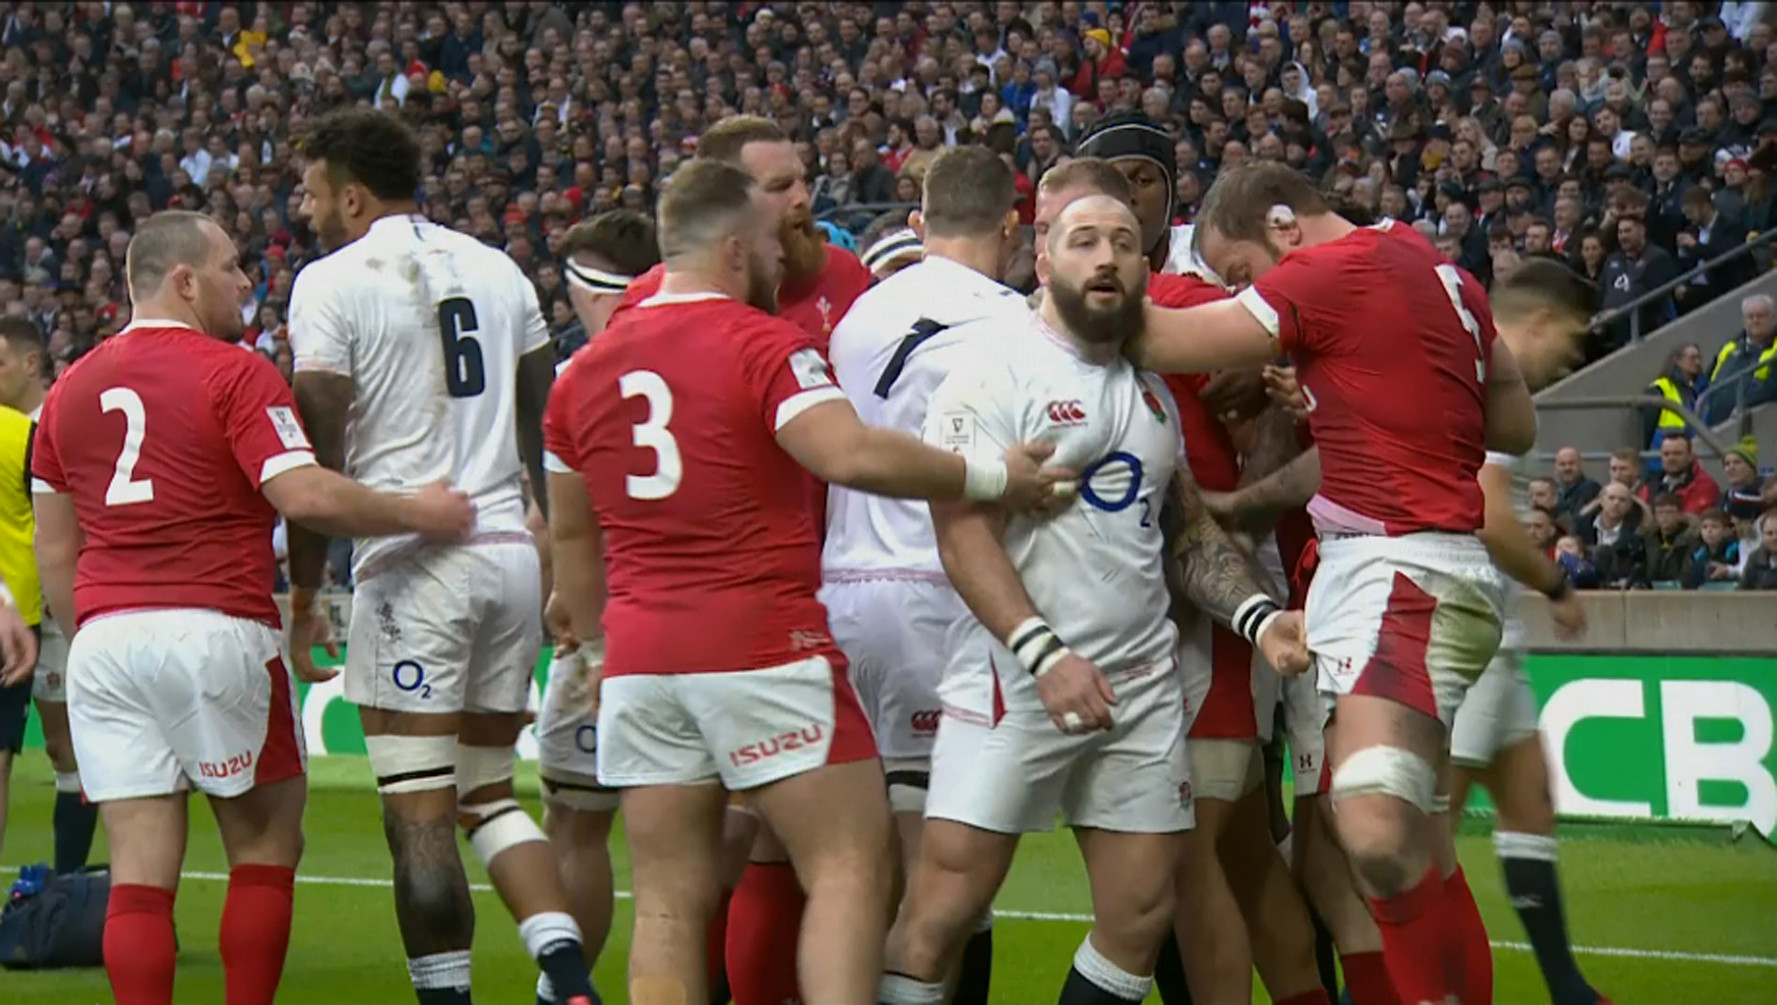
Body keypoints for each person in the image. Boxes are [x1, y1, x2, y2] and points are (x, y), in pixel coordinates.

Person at [542, 158, 1066, 1005]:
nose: (789, 257)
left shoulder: (582, 372)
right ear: (737, 248)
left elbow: (571, 531)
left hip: (641, 659)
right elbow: (849, 453)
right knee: (852, 865)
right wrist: (991, 475)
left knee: (670, 902)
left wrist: (600, 644)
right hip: (762, 643)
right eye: (776, 244)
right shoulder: (762, 345)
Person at [29, 210, 474, 1005]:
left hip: (104, 638)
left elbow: (56, 550)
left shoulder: (66, 392)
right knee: (266, 840)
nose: (247, 282)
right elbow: (301, 492)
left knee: (138, 868)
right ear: (184, 280)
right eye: (233, 266)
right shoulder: (233, 372)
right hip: (216, 625)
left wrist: (95, 624)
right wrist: (420, 511)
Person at [878, 194, 1307, 1005]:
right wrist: (1045, 655)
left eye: (1121, 242)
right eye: (1083, 242)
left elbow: (1178, 528)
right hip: (1018, 678)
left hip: (1138, 684)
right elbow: (961, 537)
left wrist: (1258, 617)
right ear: (1042, 262)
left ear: (1146, 267)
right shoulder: (992, 372)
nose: (1105, 257)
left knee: (1141, 910)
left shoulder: (1147, 392)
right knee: (942, 907)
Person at [1131, 162, 1537, 1005]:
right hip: (1419, 567)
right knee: (1405, 839)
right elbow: (1514, 417)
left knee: (1370, 823)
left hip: (1395, 569)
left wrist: (1054, 283)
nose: (1248, 290)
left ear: (1283, 226)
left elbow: (1160, 341)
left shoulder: (1329, 269)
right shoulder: (1440, 271)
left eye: (1240, 271)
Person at [283, 109, 596, 1005]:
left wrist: (305, 592)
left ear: (349, 192)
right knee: (487, 792)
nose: (307, 212)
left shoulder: (332, 281)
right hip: (508, 552)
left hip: (417, 561)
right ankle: (569, 977)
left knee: (416, 818)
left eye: (312, 194)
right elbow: (545, 427)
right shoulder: (499, 269)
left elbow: (317, 440)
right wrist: (562, 566)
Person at [615, 117, 875, 1005]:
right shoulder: (664, 301)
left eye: (804, 178)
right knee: (795, 846)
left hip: (831, 578)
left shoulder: (849, 279)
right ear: (729, 216)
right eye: (776, 188)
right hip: (759, 610)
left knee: (763, 848)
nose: (801, 200)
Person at [820, 145, 1028, 1005]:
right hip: (941, 592)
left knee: (884, 855)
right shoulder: (1013, 319)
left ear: (918, 223)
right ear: (1012, 227)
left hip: (844, 587)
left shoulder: (859, 314)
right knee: (940, 868)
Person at [1447, 258, 1618, 1005]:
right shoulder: (1496, 377)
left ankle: (1567, 988)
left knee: (1529, 807)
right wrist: (1555, 582)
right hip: (1466, 627)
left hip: (1494, 632)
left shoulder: (1482, 365)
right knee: (1424, 834)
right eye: (1571, 341)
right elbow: (1487, 516)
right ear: (1541, 322)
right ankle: (1383, 985)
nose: (1570, 360)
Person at [532, 209, 662, 1005]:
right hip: (718, 626)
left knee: (578, 823)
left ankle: (563, 996)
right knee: (703, 840)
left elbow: (567, 524)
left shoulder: (579, 378)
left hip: (611, 629)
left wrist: (577, 623)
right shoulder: (727, 342)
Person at [0, 314, 96, 876]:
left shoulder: (63, 424)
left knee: (67, 746)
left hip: (60, 608)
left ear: (32, 364)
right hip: (15, 604)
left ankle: (67, 881)